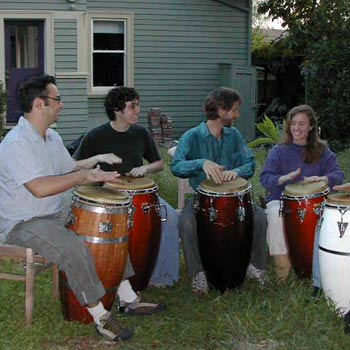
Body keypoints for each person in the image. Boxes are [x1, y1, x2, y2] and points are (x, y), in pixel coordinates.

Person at [0, 75, 136, 341]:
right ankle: (100, 316)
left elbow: (69, 168)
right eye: (57, 100)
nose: (61, 105)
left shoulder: (50, 137)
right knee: (73, 247)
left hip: (52, 213)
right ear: (40, 104)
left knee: (104, 226)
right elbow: (39, 188)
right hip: (22, 223)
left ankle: (128, 296)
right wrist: (85, 177)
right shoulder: (15, 144)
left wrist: (96, 160)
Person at [73, 87, 180, 296]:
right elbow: (75, 164)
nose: (137, 110)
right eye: (132, 106)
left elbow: (158, 163)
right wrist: (96, 164)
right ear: (116, 109)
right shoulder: (96, 135)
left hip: (139, 195)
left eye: (137, 105)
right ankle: (112, 275)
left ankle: (161, 276)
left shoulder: (141, 133)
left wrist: (145, 168)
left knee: (169, 217)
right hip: (108, 197)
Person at [170, 87, 268, 294]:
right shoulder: (192, 136)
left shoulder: (234, 136)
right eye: (234, 110)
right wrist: (201, 163)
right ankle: (198, 274)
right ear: (221, 110)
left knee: (260, 218)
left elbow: (250, 163)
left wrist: (236, 171)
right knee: (186, 222)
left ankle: (255, 266)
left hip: (237, 199)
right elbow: (176, 166)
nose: (237, 115)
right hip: (203, 199)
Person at [260, 104, 344, 282]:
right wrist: (283, 179)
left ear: (311, 126)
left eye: (302, 124)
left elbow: (338, 175)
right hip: (282, 199)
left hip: (315, 202)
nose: (296, 128)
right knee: (275, 213)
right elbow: (265, 178)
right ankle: (282, 268)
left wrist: (323, 179)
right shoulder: (279, 151)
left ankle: (322, 265)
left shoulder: (322, 151)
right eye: (293, 124)